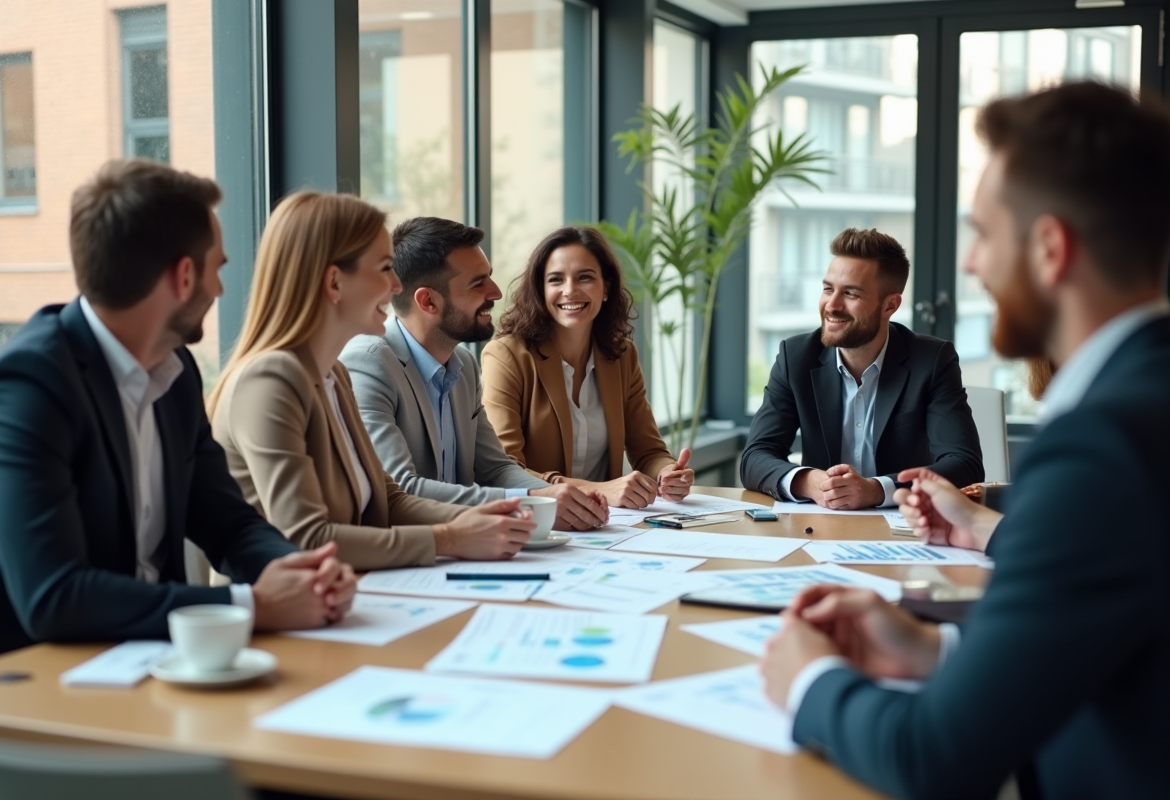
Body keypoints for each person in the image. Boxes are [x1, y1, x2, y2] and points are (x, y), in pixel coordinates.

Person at [760, 82, 1170, 800]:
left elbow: (934, 758)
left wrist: (809, 680)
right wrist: (933, 646)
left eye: (983, 233)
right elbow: (1110, 631)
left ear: (1049, 248)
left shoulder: (1101, 447)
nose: (974, 265)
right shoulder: (1144, 402)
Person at [0, 160, 356, 664]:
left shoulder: (176, 372)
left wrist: (304, 570)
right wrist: (249, 605)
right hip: (32, 679)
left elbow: (228, 524)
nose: (220, 290)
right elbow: (55, 596)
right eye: (218, 268)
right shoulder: (28, 385)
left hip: (154, 660)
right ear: (184, 275)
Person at [208, 192, 535, 572]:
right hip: (283, 613)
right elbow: (305, 539)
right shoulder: (270, 380)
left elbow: (389, 500)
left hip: (351, 595)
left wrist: (488, 517)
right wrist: (449, 539)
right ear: (335, 282)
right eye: (384, 268)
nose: (397, 286)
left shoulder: (333, 376)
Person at [339, 217, 609, 532]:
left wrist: (552, 496)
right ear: (428, 301)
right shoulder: (368, 364)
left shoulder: (464, 364)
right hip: (407, 559)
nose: (495, 292)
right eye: (477, 283)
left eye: (490, 277)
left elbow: (495, 468)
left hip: (470, 547)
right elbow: (401, 490)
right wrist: (530, 499)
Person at [740, 228, 983, 510]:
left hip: (902, 530)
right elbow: (755, 457)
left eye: (851, 293)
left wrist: (877, 490)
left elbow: (965, 465)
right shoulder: (795, 357)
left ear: (890, 305)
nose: (832, 305)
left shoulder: (931, 360)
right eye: (828, 289)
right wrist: (810, 482)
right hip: (817, 528)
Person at [480, 226, 693, 509]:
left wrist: (668, 473)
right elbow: (505, 470)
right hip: (540, 522)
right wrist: (600, 491)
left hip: (608, 527)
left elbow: (649, 451)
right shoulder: (506, 356)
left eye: (585, 277)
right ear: (541, 291)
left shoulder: (622, 356)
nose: (570, 290)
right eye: (556, 280)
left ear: (606, 288)